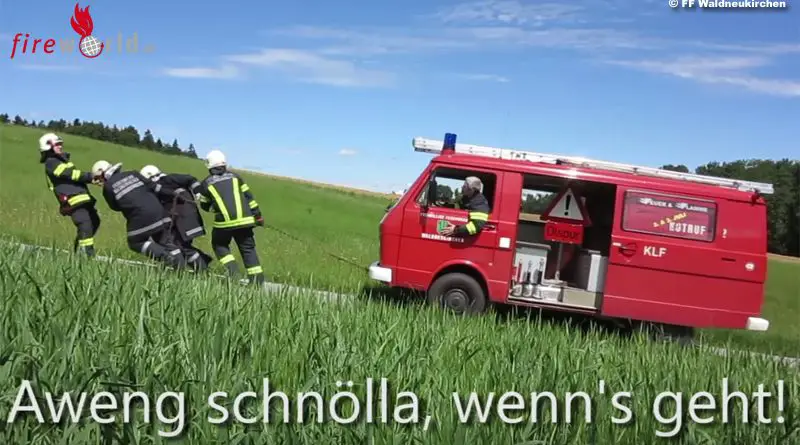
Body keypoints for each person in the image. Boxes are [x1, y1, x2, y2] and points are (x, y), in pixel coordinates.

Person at [91, 160, 186, 269]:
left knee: (135, 241)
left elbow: (115, 207)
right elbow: (156, 188)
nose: (99, 181)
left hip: (141, 216)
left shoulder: (108, 187)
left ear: (102, 173)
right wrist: (175, 195)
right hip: (159, 211)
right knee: (164, 240)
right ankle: (180, 269)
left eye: (98, 178)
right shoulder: (133, 173)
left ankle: (165, 257)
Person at [196, 150, 266, 285]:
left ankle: (233, 272)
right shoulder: (236, 177)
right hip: (246, 221)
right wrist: (258, 217)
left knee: (219, 245)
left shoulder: (206, 183)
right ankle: (257, 281)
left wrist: (213, 207)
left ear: (209, 165)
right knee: (248, 249)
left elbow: (204, 206)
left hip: (224, 224)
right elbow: (249, 198)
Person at [140, 164, 213, 272]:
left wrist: (198, 191)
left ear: (151, 177)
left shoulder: (168, 179)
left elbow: (190, 179)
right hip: (183, 219)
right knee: (180, 245)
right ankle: (201, 264)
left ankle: (201, 268)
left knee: (181, 246)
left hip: (185, 219)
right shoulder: (160, 188)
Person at [39, 132, 101, 257]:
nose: (60, 146)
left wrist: (94, 180)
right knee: (85, 224)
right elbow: (71, 174)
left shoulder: (62, 161)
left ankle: (78, 252)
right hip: (73, 201)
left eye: (60, 144)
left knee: (94, 221)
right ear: (48, 146)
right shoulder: (51, 162)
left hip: (82, 199)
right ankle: (87, 256)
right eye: (57, 144)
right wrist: (91, 177)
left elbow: (74, 177)